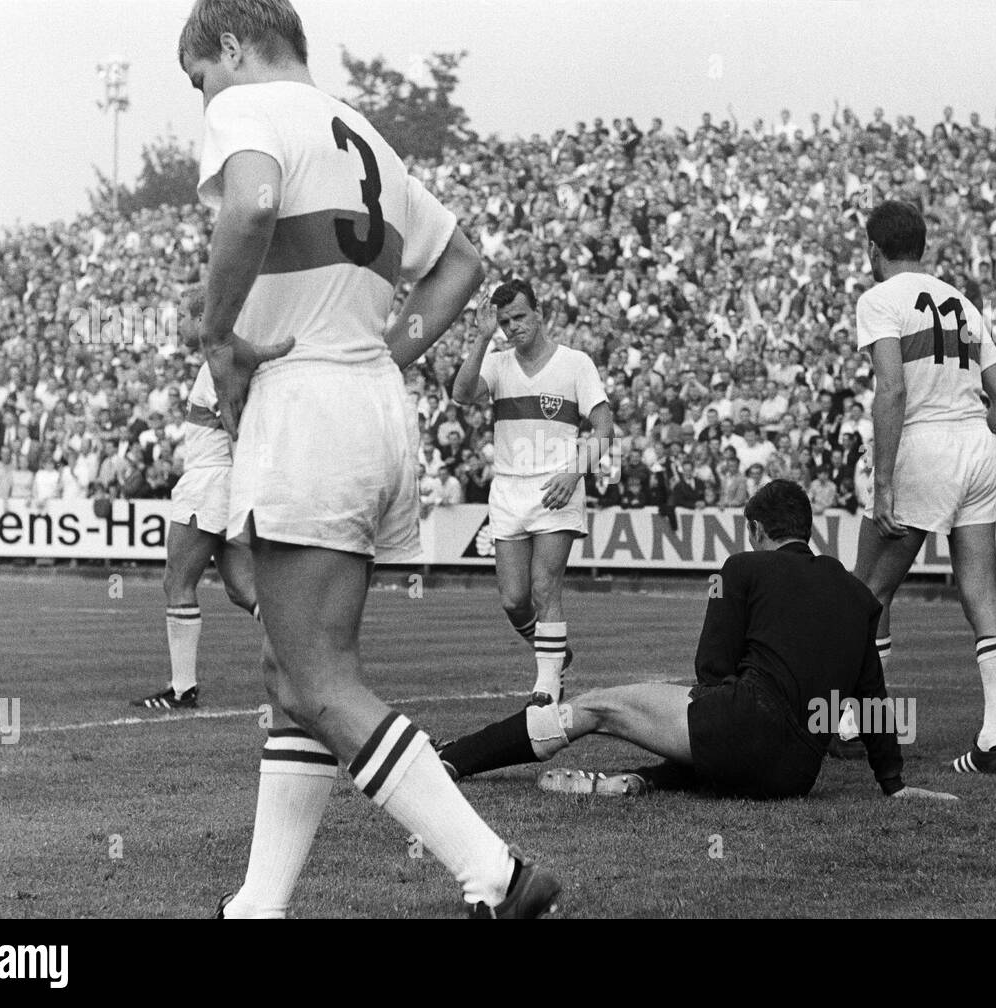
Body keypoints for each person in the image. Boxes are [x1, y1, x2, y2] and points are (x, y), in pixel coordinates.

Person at [181, 0, 557, 919]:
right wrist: (384, 354)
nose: (203, 99)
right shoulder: (368, 137)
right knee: (292, 678)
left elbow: (256, 201)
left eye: (201, 78)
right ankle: (257, 905)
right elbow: (462, 264)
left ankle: (495, 872)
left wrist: (215, 332)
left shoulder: (249, 109)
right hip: (372, 409)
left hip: (305, 406)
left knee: (319, 680)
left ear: (230, 45)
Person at [438, 481, 956, 802]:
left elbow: (711, 668)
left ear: (755, 528)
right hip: (797, 773)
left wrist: (695, 721)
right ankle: (650, 781)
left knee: (597, 707)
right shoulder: (856, 593)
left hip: (741, 725)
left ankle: (457, 757)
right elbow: (872, 698)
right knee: (708, 733)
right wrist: (895, 782)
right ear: (807, 529)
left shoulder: (744, 567)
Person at [853, 200, 996, 776]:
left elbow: (892, 391)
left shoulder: (879, 299)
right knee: (983, 598)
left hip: (921, 447)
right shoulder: (964, 303)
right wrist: (972, 440)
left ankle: (856, 728)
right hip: (977, 448)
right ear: (922, 246)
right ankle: (995, 740)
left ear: (874, 249)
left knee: (867, 594)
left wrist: (882, 482)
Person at [451, 278, 614, 706]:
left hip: (556, 486)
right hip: (507, 490)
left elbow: (604, 430)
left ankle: (545, 689)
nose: (513, 327)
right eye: (505, 321)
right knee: (513, 600)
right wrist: (482, 338)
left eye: (520, 317)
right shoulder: (499, 363)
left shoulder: (575, 363)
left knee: (545, 588)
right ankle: (556, 655)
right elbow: (461, 395)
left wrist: (575, 473)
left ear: (539, 313)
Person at [131, 284, 264, 710]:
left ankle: (182, 690)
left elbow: (236, 428)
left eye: (185, 317)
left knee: (177, 580)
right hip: (222, 481)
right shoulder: (223, 361)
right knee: (242, 590)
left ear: (204, 320)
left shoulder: (220, 363)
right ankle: (305, 649)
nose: (179, 325)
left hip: (210, 481)